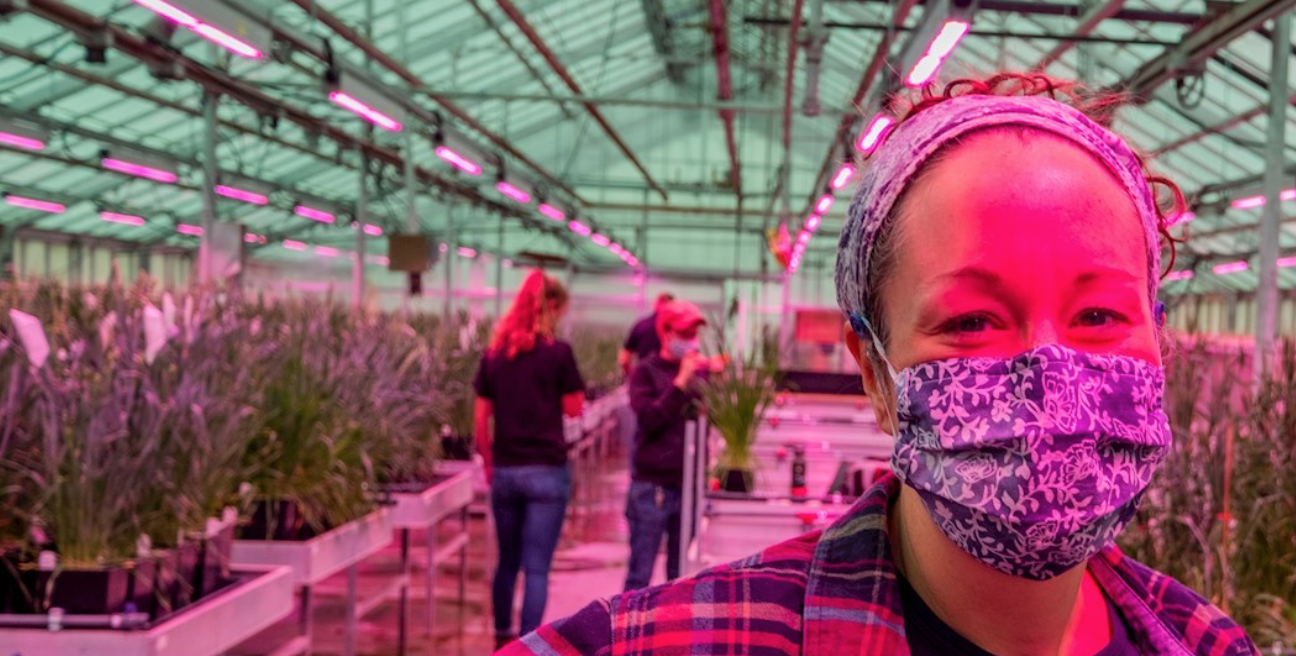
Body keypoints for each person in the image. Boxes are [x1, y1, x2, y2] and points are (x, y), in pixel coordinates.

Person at [501, 73, 1257, 656]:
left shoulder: (1208, 642)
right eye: (970, 322)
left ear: (1157, 336)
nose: (1052, 377)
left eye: (1099, 316)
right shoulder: (686, 641)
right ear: (875, 372)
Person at [473, 270, 588, 648]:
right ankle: (527, 647)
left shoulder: (495, 355)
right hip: (546, 472)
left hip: (507, 471)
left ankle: (500, 641)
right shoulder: (558, 354)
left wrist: (489, 462)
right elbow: (573, 409)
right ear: (550, 307)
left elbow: (480, 419)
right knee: (536, 568)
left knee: (507, 562)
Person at [621, 299, 715, 592]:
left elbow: (707, 422)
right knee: (640, 573)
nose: (690, 341)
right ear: (666, 332)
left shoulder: (700, 373)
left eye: (694, 334)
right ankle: (630, 622)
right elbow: (649, 418)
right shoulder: (645, 372)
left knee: (680, 577)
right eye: (684, 334)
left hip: (688, 484)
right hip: (652, 488)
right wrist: (680, 382)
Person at [618, 292, 676, 374]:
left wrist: (632, 375)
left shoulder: (641, 325)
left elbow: (624, 360)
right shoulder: (676, 329)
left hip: (644, 376)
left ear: (655, 305)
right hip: (667, 377)